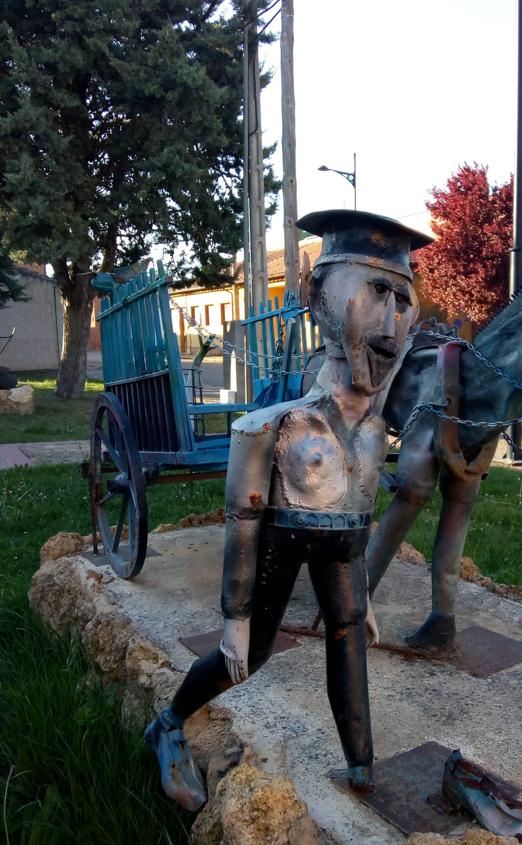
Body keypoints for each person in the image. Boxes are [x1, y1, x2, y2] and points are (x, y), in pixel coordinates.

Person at [145, 210, 432, 810]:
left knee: (350, 637)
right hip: (281, 542)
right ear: (318, 298)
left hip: (339, 552)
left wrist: (364, 600)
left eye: (403, 301)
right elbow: (243, 525)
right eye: (375, 292)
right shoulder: (271, 430)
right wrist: (234, 617)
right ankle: (169, 721)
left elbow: (356, 516)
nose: (391, 320)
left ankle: (361, 767)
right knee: (247, 656)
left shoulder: (376, 433)